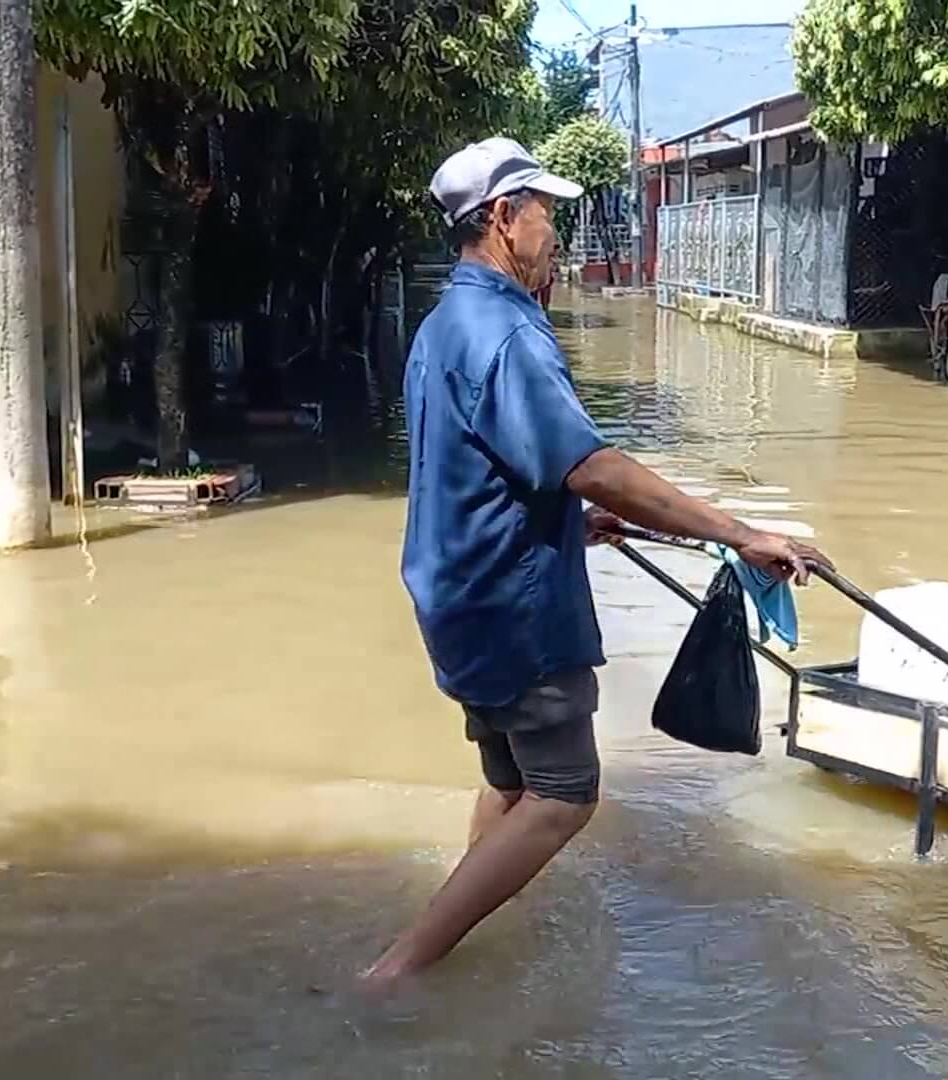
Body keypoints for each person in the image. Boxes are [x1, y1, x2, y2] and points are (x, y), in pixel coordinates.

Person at [360, 137, 827, 990]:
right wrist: (736, 532)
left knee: (511, 783)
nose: (556, 229)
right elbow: (596, 463)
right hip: (514, 611)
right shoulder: (506, 334)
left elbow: (469, 468)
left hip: (456, 597)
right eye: (545, 211)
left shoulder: (444, 325)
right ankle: (403, 969)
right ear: (503, 220)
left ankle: (464, 924)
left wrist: (571, 525)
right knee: (567, 794)